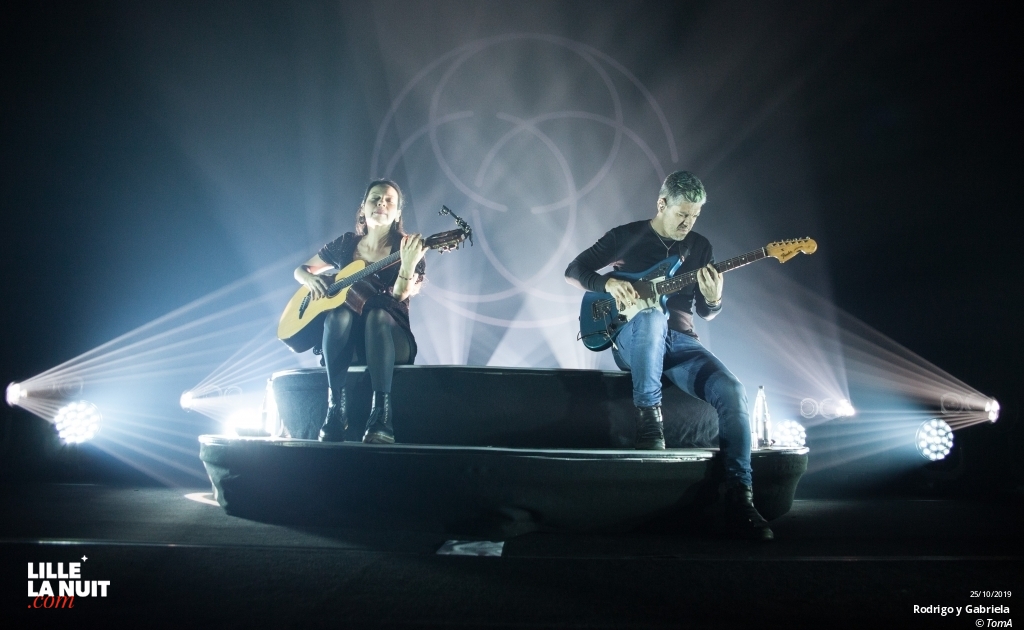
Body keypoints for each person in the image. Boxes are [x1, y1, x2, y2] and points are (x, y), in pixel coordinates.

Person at [564, 171, 773, 540]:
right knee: (650, 315)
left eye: (694, 217)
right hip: (633, 334)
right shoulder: (625, 235)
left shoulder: (699, 247)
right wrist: (608, 282)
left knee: (733, 391)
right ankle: (649, 420)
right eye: (682, 215)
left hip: (681, 342)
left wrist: (714, 299)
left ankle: (741, 496)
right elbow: (574, 270)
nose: (687, 223)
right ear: (662, 204)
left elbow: (706, 312)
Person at [294, 179, 427, 444]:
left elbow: (400, 295)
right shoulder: (346, 244)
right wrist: (310, 280)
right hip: (349, 340)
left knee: (377, 315)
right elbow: (301, 270)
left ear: (398, 213)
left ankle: (381, 417)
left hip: (391, 337)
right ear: (363, 208)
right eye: (375, 198)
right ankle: (336, 411)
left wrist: (408, 264)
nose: (382, 203)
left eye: (389, 200)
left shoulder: (408, 248)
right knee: (337, 314)